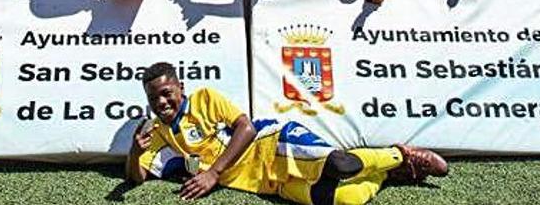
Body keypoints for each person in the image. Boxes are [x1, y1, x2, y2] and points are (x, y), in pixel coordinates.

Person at [127, 62, 448, 204]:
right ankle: (386, 173)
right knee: (345, 198)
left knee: (341, 166)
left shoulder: (204, 98)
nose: (162, 101)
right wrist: (134, 151)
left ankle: (398, 154)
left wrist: (213, 173)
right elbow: (138, 177)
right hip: (264, 184)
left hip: (271, 144)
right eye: (154, 97)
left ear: (180, 87)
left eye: (167, 92)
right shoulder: (157, 132)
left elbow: (246, 127)